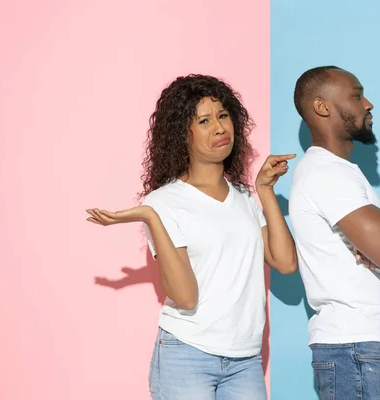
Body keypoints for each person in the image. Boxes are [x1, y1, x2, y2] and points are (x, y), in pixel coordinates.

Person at [86, 74, 297, 399]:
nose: (220, 127)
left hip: (245, 360)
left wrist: (265, 191)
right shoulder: (164, 203)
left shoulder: (242, 195)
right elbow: (184, 297)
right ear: (182, 134)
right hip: (187, 354)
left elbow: (284, 262)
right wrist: (151, 218)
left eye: (223, 116)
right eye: (204, 120)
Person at [288, 66, 380, 400]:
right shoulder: (327, 174)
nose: (369, 104)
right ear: (323, 107)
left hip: (368, 349)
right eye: (357, 95)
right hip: (358, 351)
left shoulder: (339, 173)